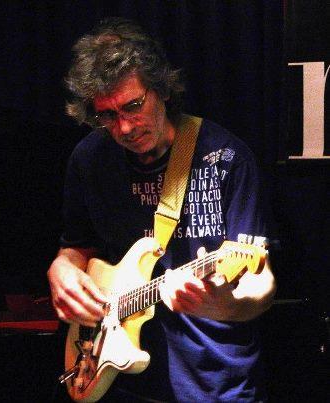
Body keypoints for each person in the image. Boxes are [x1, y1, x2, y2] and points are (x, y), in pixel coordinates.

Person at [48, 17, 276, 402]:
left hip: (213, 384)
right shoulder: (90, 159)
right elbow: (77, 247)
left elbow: (261, 278)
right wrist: (62, 267)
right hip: (120, 379)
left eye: (133, 106)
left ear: (162, 89)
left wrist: (228, 304)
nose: (124, 127)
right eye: (108, 115)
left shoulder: (226, 159)